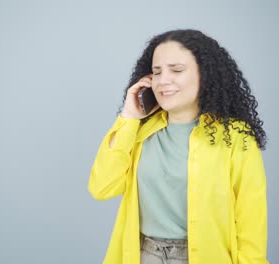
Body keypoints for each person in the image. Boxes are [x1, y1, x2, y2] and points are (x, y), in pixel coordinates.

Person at [88, 29, 269, 264]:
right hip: (144, 255)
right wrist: (128, 117)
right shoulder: (139, 131)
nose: (163, 80)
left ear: (206, 74)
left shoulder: (235, 137)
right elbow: (102, 188)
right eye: (156, 72)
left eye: (177, 70)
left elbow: (251, 220)